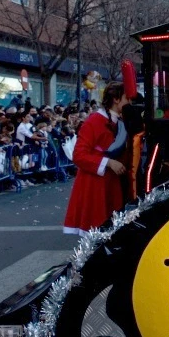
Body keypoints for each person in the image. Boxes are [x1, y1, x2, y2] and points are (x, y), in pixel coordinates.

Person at [63, 83, 129, 236]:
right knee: (97, 233)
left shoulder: (120, 121)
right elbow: (79, 155)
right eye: (127, 98)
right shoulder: (94, 121)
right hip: (95, 185)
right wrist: (108, 162)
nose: (129, 103)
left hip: (112, 182)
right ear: (116, 99)